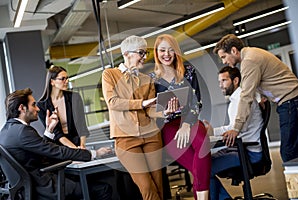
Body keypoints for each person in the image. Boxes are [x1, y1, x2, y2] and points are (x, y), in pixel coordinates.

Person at [0, 88, 112, 200]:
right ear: (22, 108)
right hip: (44, 188)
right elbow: (57, 151)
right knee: (103, 189)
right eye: (33, 105)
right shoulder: (22, 131)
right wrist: (94, 153)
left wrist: (49, 130)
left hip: (26, 191)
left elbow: (41, 150)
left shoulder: (5, 132)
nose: (38, 109)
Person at [213, 34, 298, 162]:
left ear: (233, 50)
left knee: (289, 153)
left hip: (291, 102)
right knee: (294, 150)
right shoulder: (252, 54)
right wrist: (263, 97)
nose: (224, 61)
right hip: (293, 100)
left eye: (224, 57)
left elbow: (246, 95)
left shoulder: (249, 61)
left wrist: (236, 129)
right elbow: (267, 78)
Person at [149, 34, 211, 200]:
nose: (166, 54)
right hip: (168, 127)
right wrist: (164, 112)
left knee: (203, 147)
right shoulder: (151, 80)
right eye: (162, 50)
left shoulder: (188, 72)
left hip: (189, 121)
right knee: (198, 169)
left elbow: (197, 102)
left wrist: (186, 124)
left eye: (170, 50)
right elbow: (151, 111)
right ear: (156, 52)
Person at [102, 35, 163, 200]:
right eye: (141, 53)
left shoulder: (146, 79)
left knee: (159, 186)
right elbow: (113, 102)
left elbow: (150, 111)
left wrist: (166, 111)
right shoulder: (109, 75)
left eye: (145, 53)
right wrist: (142, 103)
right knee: (147, 187)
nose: (145, 57)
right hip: (125, 139)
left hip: (151, 136)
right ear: (127, 54)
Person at [203, 66, 263, 200]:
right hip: (242, 148)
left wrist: (213, 135)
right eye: (219, 82)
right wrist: (213, 131)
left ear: (235, 80)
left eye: (224, 81)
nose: (220, 85)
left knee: (205, 168)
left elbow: (239, 130)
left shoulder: (242, 100)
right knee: (204, 164)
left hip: (248, 152)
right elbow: (233, 128)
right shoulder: (236, 100)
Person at [37, 65, 89, 149]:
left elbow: (82, 125)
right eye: (62, 79)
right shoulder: (42, 105)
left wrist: (82, 146)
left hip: (77, 143)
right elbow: (57, 133)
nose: (67, 81)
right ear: (52, 82)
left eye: (67, 78)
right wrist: (75, 150)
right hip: (58, 147)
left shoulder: (75, 98)